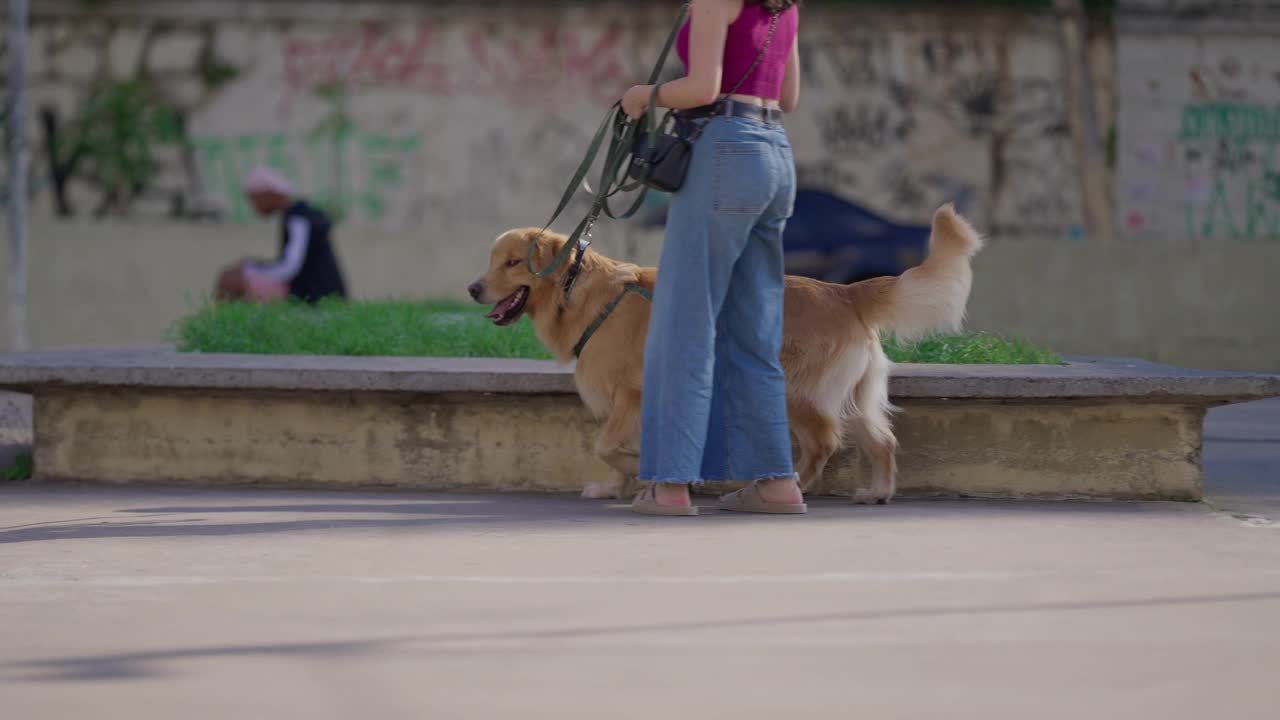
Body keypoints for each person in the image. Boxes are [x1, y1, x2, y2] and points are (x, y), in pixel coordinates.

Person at [620, 0, 804, 516]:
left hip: (725, 152)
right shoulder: (785, 6)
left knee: (684, 323)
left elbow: (702, 88)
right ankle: (776, 482)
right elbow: (788, 96)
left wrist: (642, 95)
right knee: (755, 329)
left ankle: (670, 486)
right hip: (775, 157)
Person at [215, 166, 348, 304]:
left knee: (232, 280)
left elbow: (289, 268)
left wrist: (250, 268)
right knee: (235, 275)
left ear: (268, 193)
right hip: (305, 290)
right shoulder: (294, 216)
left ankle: (226, 323)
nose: (253, 205)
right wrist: (252, 265)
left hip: (317, 295)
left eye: (254, 199)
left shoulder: (299, 219)